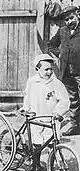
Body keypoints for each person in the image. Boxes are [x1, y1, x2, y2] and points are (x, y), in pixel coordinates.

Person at [19, 54, 70, 171]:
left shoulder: (56, 84)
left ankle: (49, 169)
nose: (49, 72)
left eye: (51, 69)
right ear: (37, 69)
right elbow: (28, 96)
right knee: (36, 142)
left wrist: (58, 112)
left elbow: (65, 101)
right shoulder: (32, 81)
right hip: (35, 117)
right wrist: (26, 108)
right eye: (45, 69)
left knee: (51, 143)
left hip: (50, 119)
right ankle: (36, 165)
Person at [48, 6, 80, 136]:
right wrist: (60, 53)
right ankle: (75, 126)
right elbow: (51, 45)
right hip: (66, 71)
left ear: (77, 15)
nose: (68, 22)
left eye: (71, 18)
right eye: (66, 20)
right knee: (73, 100)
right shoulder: (62, 31)